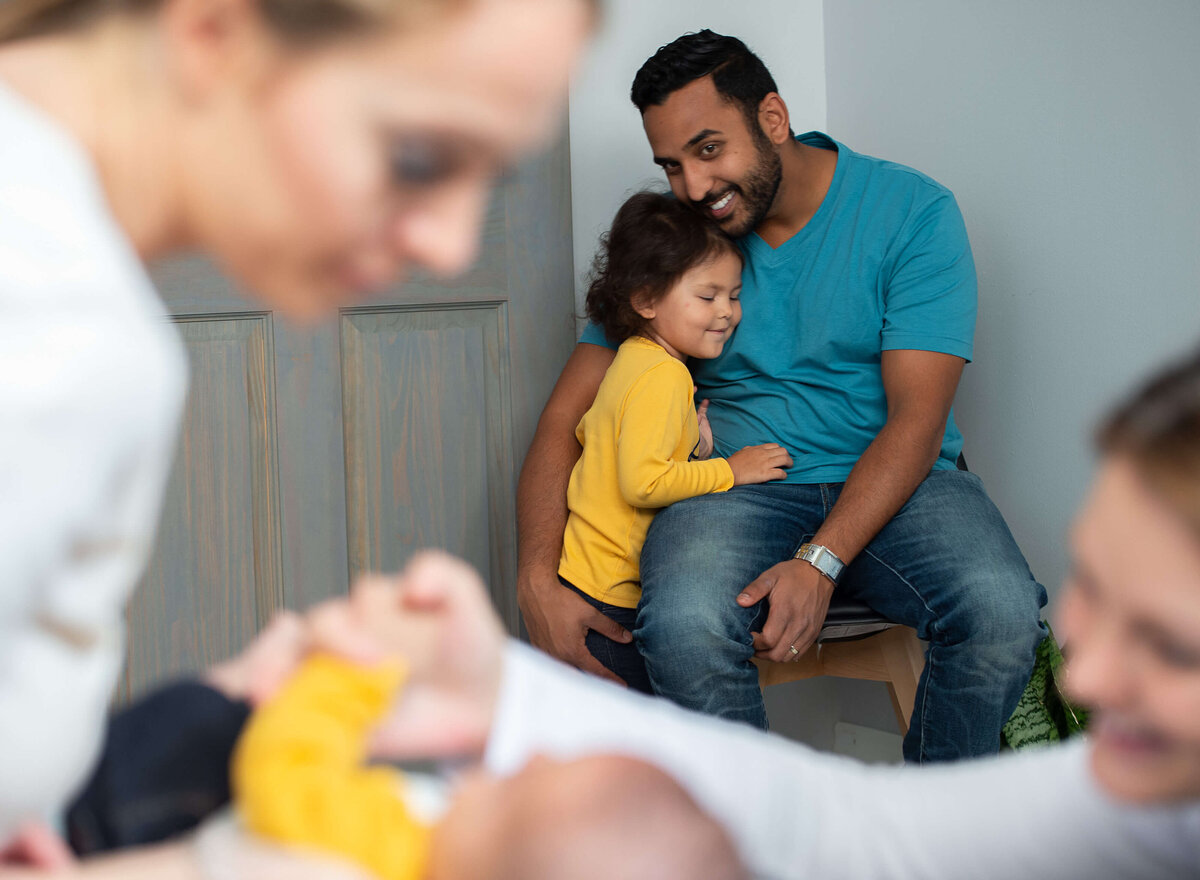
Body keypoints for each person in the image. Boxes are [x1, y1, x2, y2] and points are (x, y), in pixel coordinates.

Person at [0, 0, 594, 871]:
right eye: (420, 157)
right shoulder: (66, 332)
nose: (453, 245)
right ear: (214, 33)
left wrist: (202, 721)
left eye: (491, 180)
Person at [361, 345, 1200, 879]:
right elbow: (869, 826)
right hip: (744, 500)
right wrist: (501, 694)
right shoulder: (1117, 800)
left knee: (998, 607)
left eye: (1166, 645)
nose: (1080, 673)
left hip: (875, 490)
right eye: (1089, 583)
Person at [515, 29, 1047, 762]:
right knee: (680, 625)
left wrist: (820, 562)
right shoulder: (677, 242)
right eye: (671, 165)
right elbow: (562, 421)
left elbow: (918, 423)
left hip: (902, 482)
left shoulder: (912, 213)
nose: (693, 188)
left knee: (1002, 612)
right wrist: (536, 579)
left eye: (708, 150)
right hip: (734, 488)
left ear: (772, 118)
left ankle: (933, 835)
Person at [231, 573, 747, 880]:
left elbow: (283, 764)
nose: (531, 756)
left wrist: (351, 673)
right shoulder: (462, 849)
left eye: (520, 787)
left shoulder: (383, 847)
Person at [558, 191, 791, 692]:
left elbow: (599, 438)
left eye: (734, 294)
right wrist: (734, 469)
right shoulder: (662, 377)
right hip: (611, 596)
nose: (727, 312)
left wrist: (691, 445)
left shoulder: (634, 360)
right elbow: (643, 483)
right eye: (707, 297)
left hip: (588, 576)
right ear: (644, 299)